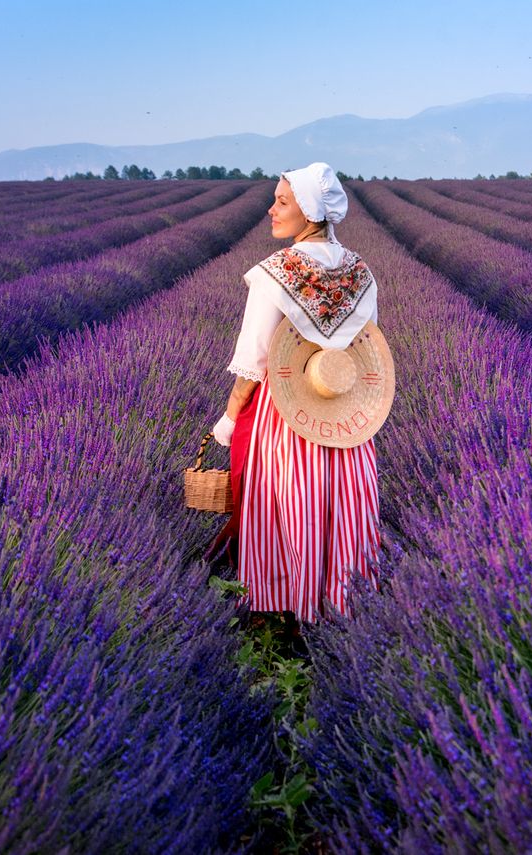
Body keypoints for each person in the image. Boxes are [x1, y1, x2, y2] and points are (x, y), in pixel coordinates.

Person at [203, 162, 385, 628]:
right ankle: (340, 604)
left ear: (309, 210)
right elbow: (369, 349)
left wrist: (228, 417)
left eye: (282, 201)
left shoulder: (276, 272)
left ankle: (281, 612)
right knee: (337, 506)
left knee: (284, 505)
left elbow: (254, 358)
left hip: (286, 414)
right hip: (343, 412)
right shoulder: (360, 271)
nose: (271, 209)